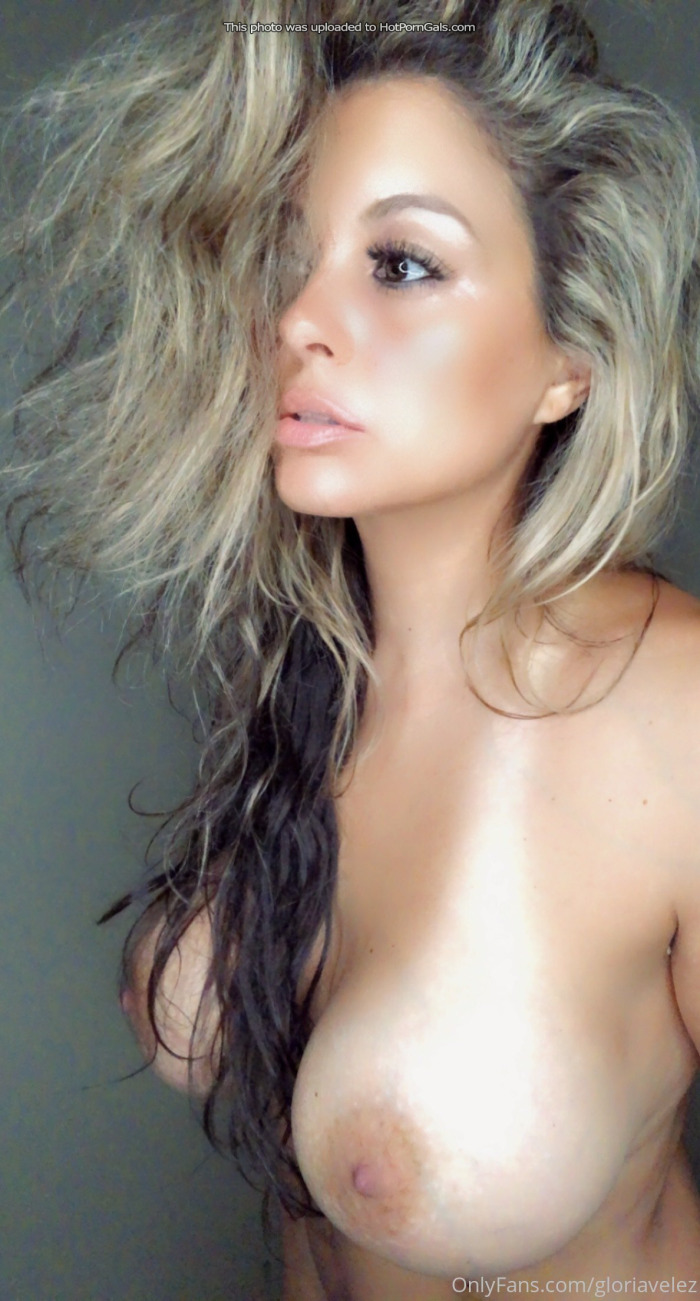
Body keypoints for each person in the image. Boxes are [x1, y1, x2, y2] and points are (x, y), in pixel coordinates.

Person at [2, 1, 700, 1296]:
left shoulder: (674, 711)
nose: (298, 321)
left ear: (571, 357)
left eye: (402, 264)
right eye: (289, 256)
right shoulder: (303, 665)